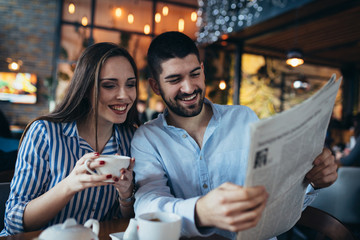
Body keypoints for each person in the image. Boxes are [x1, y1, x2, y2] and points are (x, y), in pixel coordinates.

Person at [131, 31, 338, 239]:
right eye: (175, 79)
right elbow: (147, 205)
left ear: (203, 71)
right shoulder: (148, 138)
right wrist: (199, 212)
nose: (189, 87)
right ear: (155, 86)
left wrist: (312, 181)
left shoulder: (244, 118)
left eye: (194, 74)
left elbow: (276, 198)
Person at [1, 42, 139, 236]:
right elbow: (14, 222)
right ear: (85, 88)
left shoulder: (130, 139)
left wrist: (126, 196)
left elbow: (128, 223)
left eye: (130, 84)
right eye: (109, 85)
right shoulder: (44, 133)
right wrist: (69, 185)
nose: (124, 95)